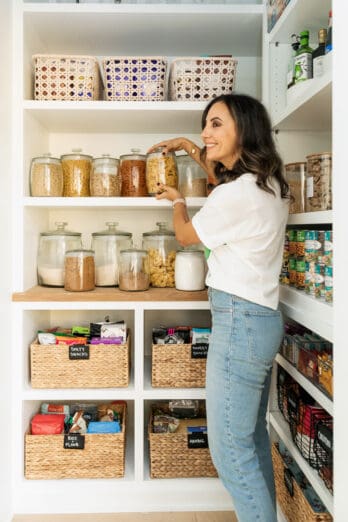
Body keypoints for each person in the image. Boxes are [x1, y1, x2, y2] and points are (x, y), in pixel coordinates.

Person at [148, 93, 289, 522]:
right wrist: (191, 149)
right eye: (204, 125)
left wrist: (176, 200)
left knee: (229, 447)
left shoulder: (236, 196)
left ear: (242, 130)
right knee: (250, 438)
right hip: (262, 319)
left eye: (215, 125)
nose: (205, 134)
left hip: (240, 321)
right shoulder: (270, 184)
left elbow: (188, 236)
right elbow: (224, 186)